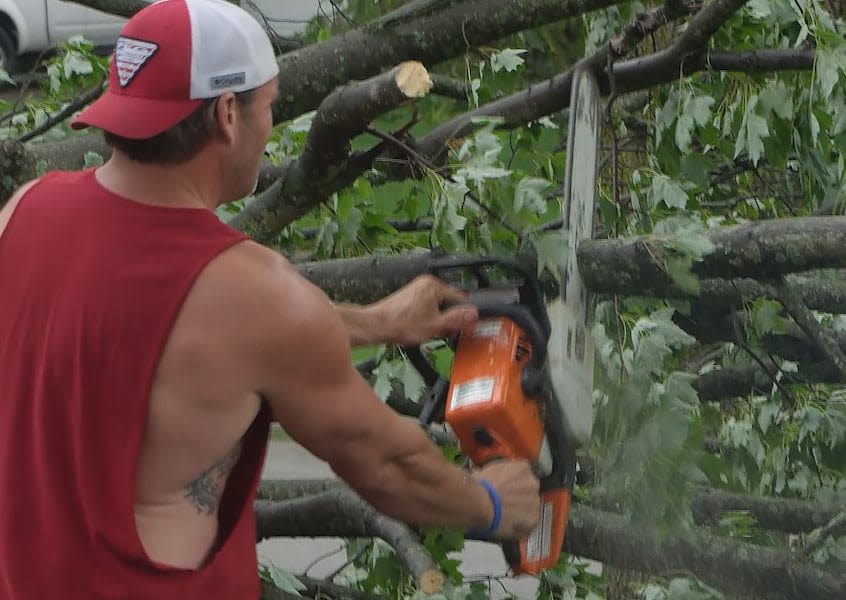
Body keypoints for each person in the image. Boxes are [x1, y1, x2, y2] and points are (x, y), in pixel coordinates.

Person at [0, 0, 541, 598]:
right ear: (228, 113)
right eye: (271, 103)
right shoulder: (251, 293)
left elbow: (148, 331)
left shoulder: (23, 212)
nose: (270, 121)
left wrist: (372, 323)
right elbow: (387, 463)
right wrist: (492, 501)